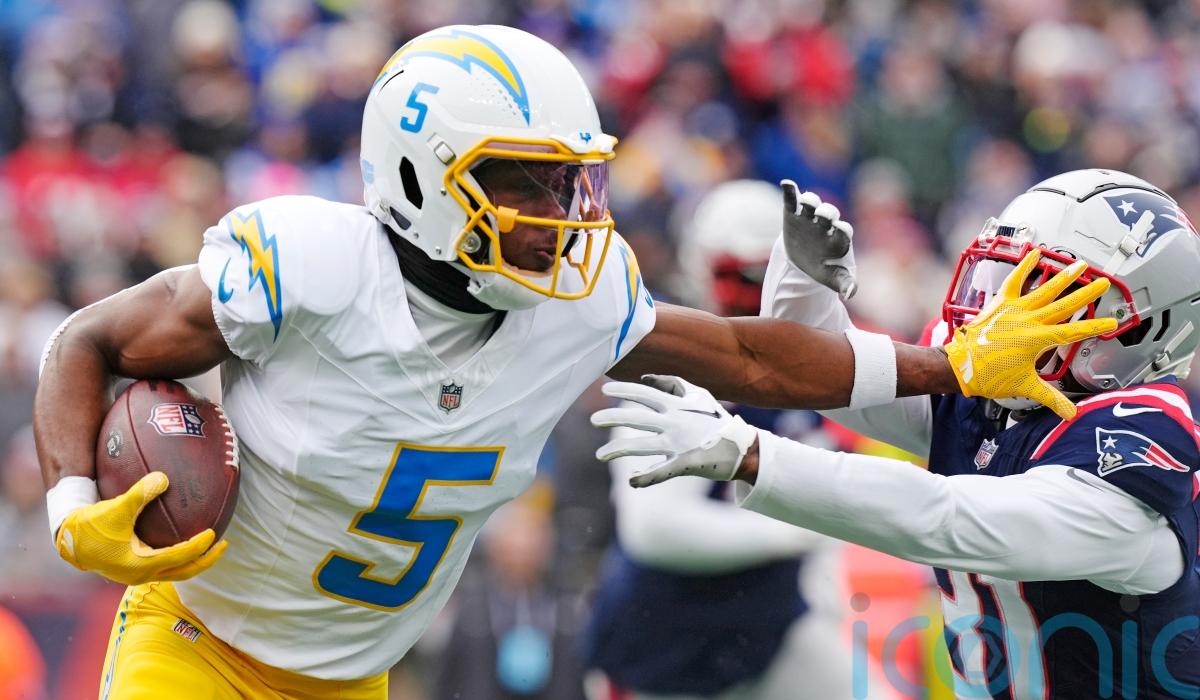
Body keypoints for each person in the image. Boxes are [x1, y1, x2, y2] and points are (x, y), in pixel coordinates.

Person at [33, 25, 1106, 699]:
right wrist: (72, 501)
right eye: (524, 182)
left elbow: (751, 356)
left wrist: (954, 364)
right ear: (418, 178)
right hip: (196, 643)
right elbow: (89, 339)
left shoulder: (579, 304)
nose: (560, 213)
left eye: (568, 182)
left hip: (356, 676)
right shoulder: (307, 267)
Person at [594, 169, 1200, 699]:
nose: (1000, 311)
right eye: (1003, 278)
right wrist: (803, 291)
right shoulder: (1013, 400)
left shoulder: (1132, 444)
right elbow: (855, 394)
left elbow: (947, 517)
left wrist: (755, 455)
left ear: (1136, 328)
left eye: (1042, 291)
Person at [582, 180, 877, 700]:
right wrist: (795, 533)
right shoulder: (673, 360)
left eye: (776, 273)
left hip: (770, 625)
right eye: (745, 275)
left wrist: (823, 581)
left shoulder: (820, 355)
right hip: (665, 642)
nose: (763, 291)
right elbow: (654, 529)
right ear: (701, 270)